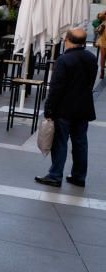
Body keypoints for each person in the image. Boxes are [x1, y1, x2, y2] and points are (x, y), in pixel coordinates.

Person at [35, 28, 96, 188]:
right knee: (80, 142)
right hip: (83, 107)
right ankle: (79, 176)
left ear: (68, 40)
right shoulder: (91, 58)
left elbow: (56, 88)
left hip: (64, 108)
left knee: (60, 142)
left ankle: (55, 175)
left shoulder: (64, 60)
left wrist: (49, 109)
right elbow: (90, 82)